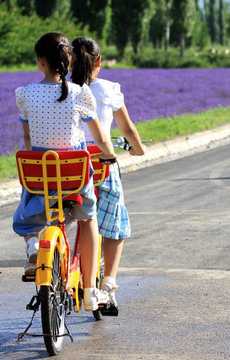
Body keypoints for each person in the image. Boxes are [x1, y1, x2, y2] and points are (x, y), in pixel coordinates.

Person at [12, 32, 117, 311]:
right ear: (68, 60)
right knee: (88, 218)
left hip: (41, 176)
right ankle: (91, 291)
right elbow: (101, 137)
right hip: (75, 178)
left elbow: (27, 140)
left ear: (40, 62)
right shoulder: (80, 94)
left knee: (26, 218)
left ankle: (34, 244)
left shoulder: (25, 94)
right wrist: (110, 154)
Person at [71, 36, 147, 309]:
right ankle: (108, 285)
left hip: (71, 166)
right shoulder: (108, 89)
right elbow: (126, 129)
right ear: (99, 62)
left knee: (77, 216)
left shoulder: (63, 89)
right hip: (101, 165)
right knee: (115, 224)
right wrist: (138, 150)